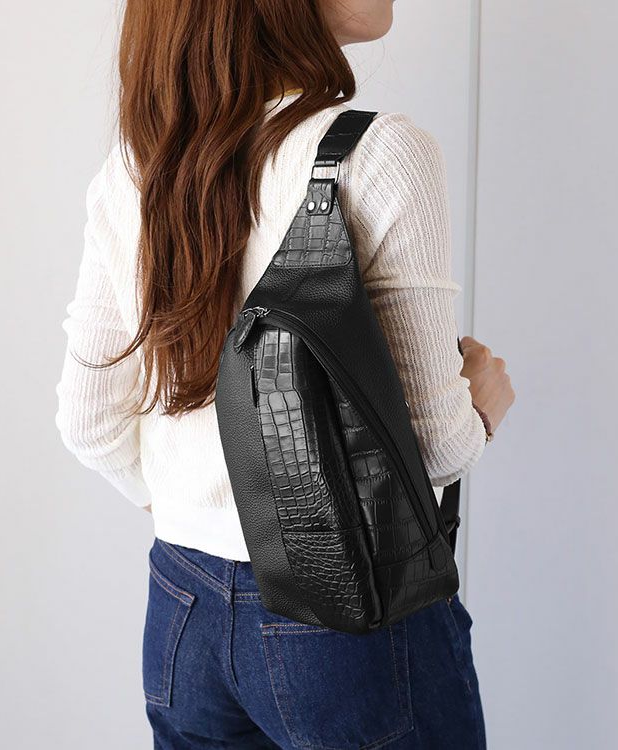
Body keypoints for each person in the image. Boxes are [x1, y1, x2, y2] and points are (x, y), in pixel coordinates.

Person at [54, 0, 515, 747]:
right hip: (347, 614)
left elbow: (88, 423)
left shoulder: (138, 171)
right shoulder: (380, 156)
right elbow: (435, 449)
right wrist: (483, 405)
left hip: (183, 609)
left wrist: (197, 510)